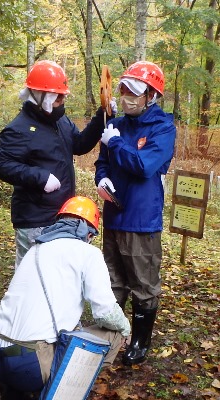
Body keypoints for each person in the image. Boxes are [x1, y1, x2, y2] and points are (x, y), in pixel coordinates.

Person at [0, 196, 131, 399]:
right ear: (88, 233)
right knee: (115, 335)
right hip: (28, 364)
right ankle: (65, 392)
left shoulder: (35, 249)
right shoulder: (88, 253)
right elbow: (105, 313)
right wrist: (126, 328)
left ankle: (13, 391)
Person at [0, 60, 116, 267]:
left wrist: (101, 115)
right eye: (57, 97)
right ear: (41, 97)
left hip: (61, 213)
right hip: (34, 217)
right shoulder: (19, 129)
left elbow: (79, 144)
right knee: (32, 275)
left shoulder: (60, 120)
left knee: (55, 274)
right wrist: (40, 177)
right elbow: (2, 165)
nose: (61, 101)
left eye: (62, 96)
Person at [95, 61, 176, 366]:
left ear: (151, 96)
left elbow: (144, 166)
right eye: (124, 89)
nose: (127, 96)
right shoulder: (117, 122)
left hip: (142, 220)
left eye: (135, 91)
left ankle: (140, 341)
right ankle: (110, 334)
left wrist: (114, 142)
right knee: (112, 280)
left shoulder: (163, 128)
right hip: (113, 215)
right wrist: (101, 177)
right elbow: (103, 161)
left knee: (143, 284)